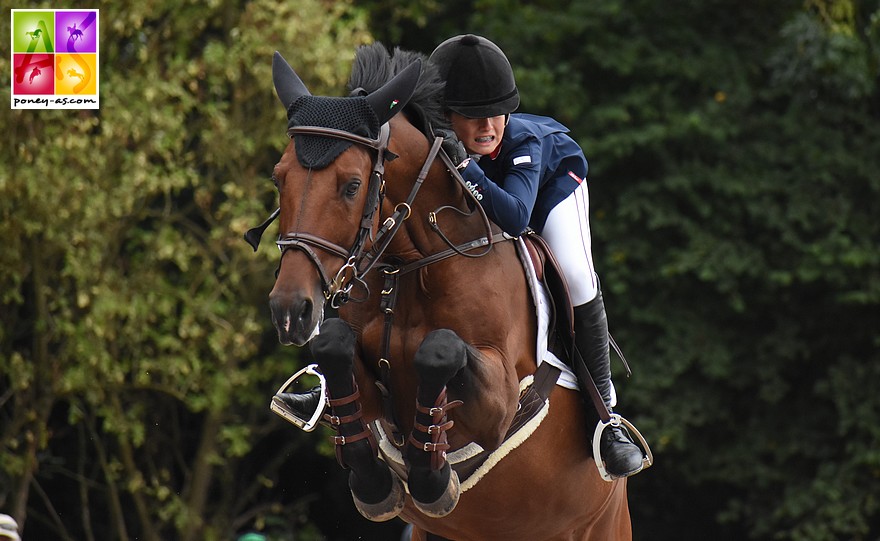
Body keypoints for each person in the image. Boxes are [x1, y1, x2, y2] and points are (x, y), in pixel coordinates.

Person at [428, 34, 644, 478]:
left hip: (549, 188)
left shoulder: (523, 140)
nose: (488, 126)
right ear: (447, 117)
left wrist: (466, 167)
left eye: (495, 113)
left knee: (579, 277)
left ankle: (606, 418)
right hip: (490, 189)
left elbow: (514, 215)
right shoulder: (433, 134)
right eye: (472, 116)